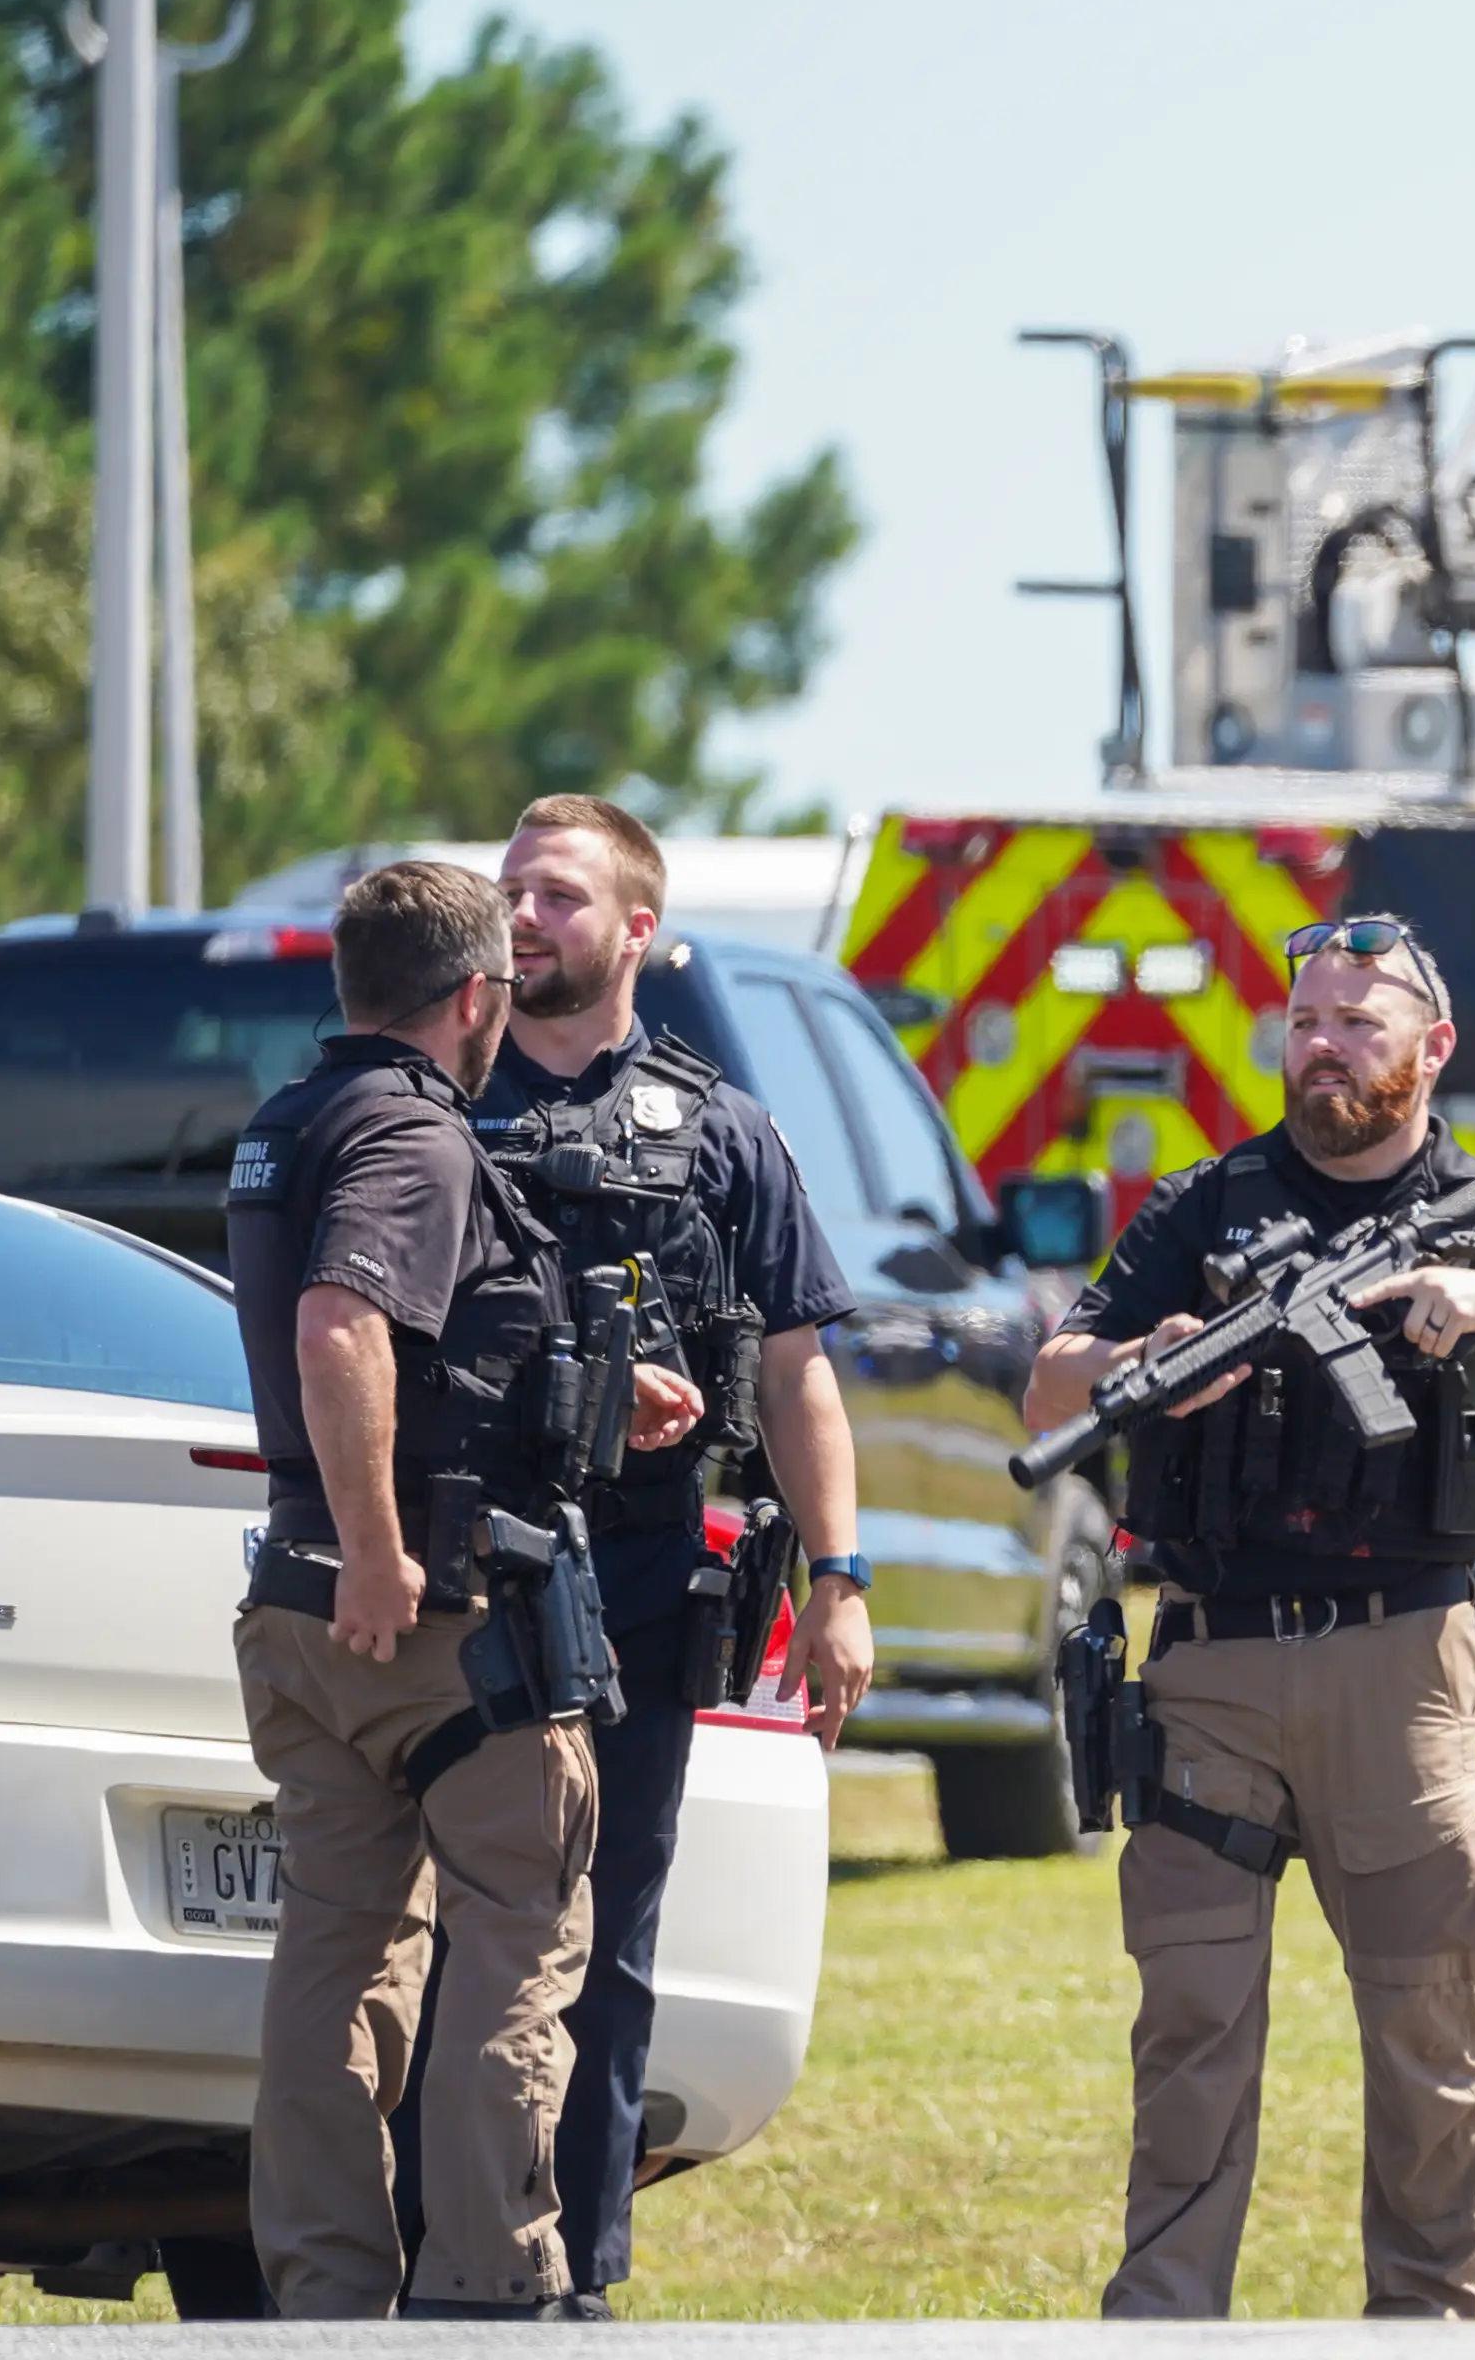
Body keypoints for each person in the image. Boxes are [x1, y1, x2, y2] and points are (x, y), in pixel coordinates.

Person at [1023, 914, 1475, 2321]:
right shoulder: (1209, 1207)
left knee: (1428, 2032)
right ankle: (1162, 2327)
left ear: (1432, 1049)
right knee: (1191, 2028)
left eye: (1359, 1025)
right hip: (1209, 1667)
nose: (1322, 1049)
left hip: (1403, 1664)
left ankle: (1433, 2325)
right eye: (1307, 1022)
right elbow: (1049, 1390)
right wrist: (1158, 1361)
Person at [389, 794, 871, 2318]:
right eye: (510, 893)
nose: (523, 918)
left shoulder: (720, 1126)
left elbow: (797, 1367)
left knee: (612, 1942)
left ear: (638, 933)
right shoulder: (430, 1117)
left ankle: (577, 2283)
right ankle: (433, 2271)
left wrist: (844, 1583)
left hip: (649, 1586)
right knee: (449, 1934)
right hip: (464, 1579)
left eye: (561, 898)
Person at [224, 862, 697, 2318]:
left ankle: (324, 2300)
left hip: (307, 1617)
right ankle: (494, 2294)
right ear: (478, 995)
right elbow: (343, 1331)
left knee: (333, 1956)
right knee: (517, 1942)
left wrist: (596, 1401)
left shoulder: (286, 1119)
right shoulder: (412, 1138)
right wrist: (384, 1548)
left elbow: (428, 1361)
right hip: (439, 1623)